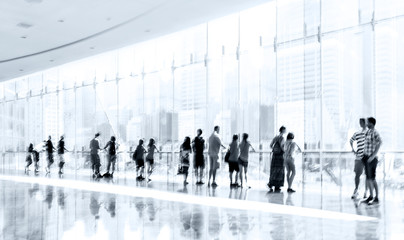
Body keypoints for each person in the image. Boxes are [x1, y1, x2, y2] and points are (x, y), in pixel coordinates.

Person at [363, 117, 382, 205]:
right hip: (366, 157)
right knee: (368, 178)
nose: (366, 124)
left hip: (372, 158)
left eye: (367, 122)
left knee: (372, 178)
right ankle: (371, 196)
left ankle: (376, 197)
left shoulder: (375, 132)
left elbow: (380, 143)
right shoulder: (367, 132)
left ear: (371, 123)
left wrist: (373, 156)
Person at [349, 118, 368, 199]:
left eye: (361, 122)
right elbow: (351, 140)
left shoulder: (369, 133)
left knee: (367, 175)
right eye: (359, 122)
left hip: (367, 157)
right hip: (359, 158)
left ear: (364, 123)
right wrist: (353, 149)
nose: (360, 124)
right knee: (357, 175)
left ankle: (366, 192)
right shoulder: (358, 133)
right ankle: (356, 190)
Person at [267, 126, 287, 192]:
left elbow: (270, 145)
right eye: (285, 130)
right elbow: (282, 147)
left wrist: (274, 150)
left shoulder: (276, 137)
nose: (285, 130)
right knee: (280, 170)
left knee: (274, 169)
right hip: (280, 156)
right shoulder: (282, 138)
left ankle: (271, 183)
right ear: (283, 130)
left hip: (275, 156)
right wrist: (285, 151)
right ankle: (277, 186)